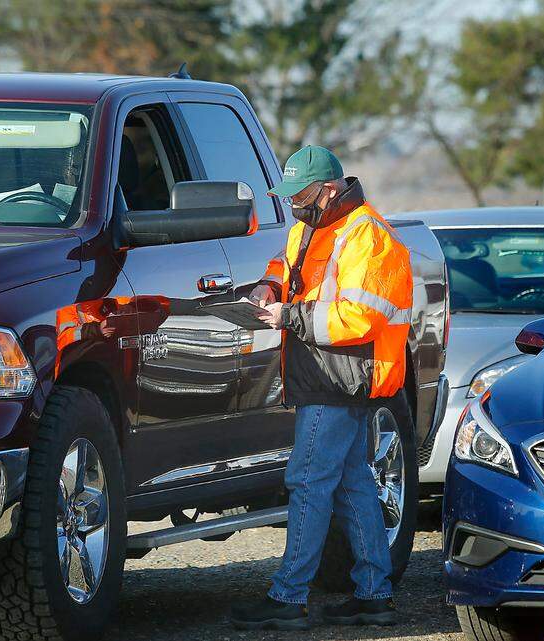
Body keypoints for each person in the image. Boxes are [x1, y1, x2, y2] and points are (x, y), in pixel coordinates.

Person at [229, 145, 412, 631]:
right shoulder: (310, 227)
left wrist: (287, 315)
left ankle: (288, 597)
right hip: (326, 374)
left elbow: (356, 319)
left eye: (300, 194)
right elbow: (287, 268)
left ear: (328, 190)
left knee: (308, 481)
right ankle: (375, 595)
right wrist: (270, 290)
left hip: (342, 378)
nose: (293, 203)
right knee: (353, 484)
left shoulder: (369, 238)